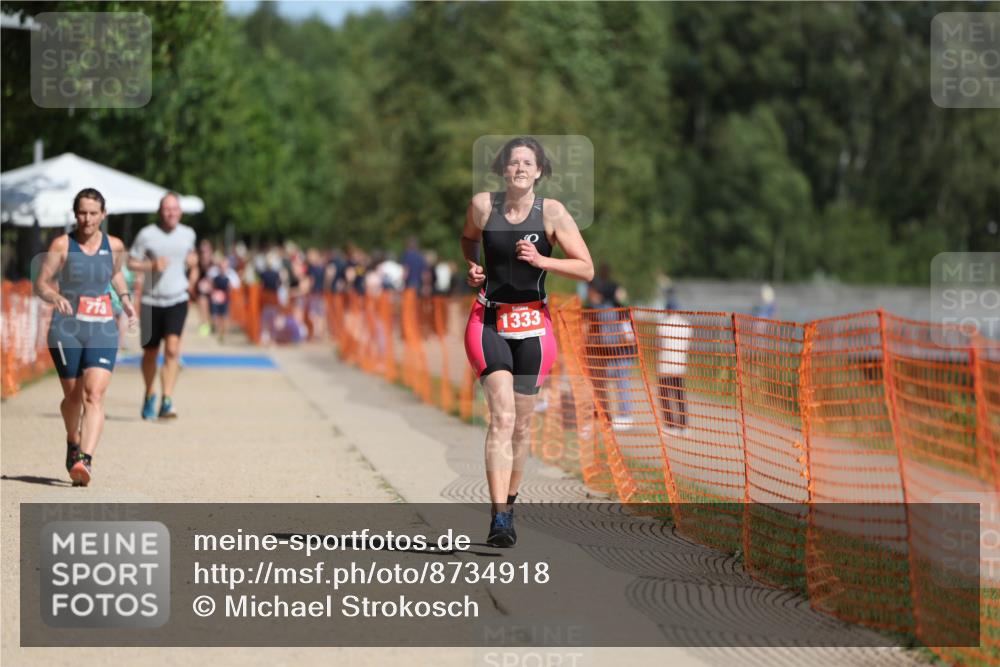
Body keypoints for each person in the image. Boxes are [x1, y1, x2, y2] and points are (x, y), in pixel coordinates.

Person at [461, 136, 594, 547]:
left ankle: (510, 504)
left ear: (539, 172)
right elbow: (468, 239)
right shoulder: (484, 206)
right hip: (488, 321)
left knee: (522, 427)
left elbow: (586, 268)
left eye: (527, 163)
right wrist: (472, 266)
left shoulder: (552, 212)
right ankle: (499, 517)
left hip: (534, 327)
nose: (519, 168)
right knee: (501, 418)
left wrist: (542, 261)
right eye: (512, 162)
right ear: (503, 170)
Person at [34, 188, 137, 486]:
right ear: (75, 213)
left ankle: (85, 460)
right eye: (82, 212)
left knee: (94, 394)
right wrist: (54, 295)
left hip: (102, 327)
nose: (87, 218)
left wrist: (126, 299)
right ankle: (72, 440)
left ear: (103, 215)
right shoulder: (62, 244)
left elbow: (115, 274)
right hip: (66, 329)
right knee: (73, 397)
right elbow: (41, 283)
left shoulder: (114, 245)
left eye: (93, 213)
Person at [128, 192, 197, 420]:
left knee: (173, 350)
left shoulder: (188, 234)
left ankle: (167, 400)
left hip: (177, 298)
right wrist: (151, 265)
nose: (171, 213)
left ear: (181, 212)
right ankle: (150, 394)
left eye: (175, 209)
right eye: (167, 209)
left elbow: (192, 259)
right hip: (150, 301)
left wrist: (193, 265)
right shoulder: (147, 234)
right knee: (150, 353)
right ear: (160, 212)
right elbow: (130, 261)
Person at [657, 287, 692, 435]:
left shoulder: (662, 325)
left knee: (665, 396)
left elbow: (658, 345)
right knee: (679, 397)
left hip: (665, 365)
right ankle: (683, 426)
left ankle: (670, 425)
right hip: (679, 366)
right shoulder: (687, 326)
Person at [206, 255, 241, 343]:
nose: (223, 268)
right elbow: (210, 286)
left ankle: (222, 334)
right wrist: (213, 293)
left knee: (224, 316)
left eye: (224, 266)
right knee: (215, 316)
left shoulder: (231, 276)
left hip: (225, 299)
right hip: (216, 299)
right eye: (221, 266)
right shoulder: (214, 274)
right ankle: (217, 330)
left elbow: (234, 288)